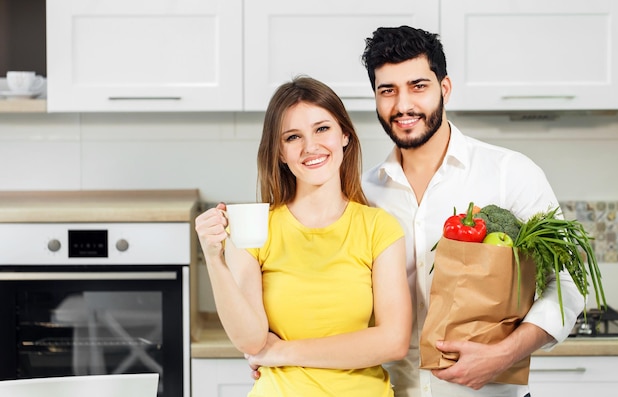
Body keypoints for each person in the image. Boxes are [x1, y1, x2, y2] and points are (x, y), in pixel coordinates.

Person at [359, 26, 585, 397]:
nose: (402, 105)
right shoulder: (364, 192)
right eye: (388, 90)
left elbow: (566, 284)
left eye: (418, 86)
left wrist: (504, 354)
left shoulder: (510, 172)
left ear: (444, 89)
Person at [195, 76, 412, 396]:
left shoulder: (379, 227)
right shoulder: (255, 230)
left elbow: (393, 342)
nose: (310, 147)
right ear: (280, 153)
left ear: (345, 136)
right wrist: (215, 259)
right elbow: (251, 341)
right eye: (293, 136)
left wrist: (282, 352)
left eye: (322, 129)